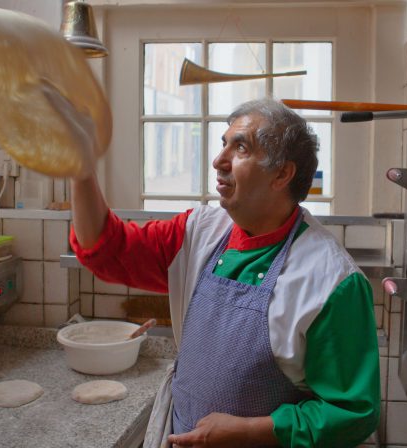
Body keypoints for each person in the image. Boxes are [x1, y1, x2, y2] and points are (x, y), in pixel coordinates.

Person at [68, 98, 380, 447]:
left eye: (241, 147)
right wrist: (81, 166)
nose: (219, 161)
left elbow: (351, 413)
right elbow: (106, 247)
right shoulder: (198, 231)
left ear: (282, 174)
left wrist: (249, 432)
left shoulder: (331, 280)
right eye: (224, 144)